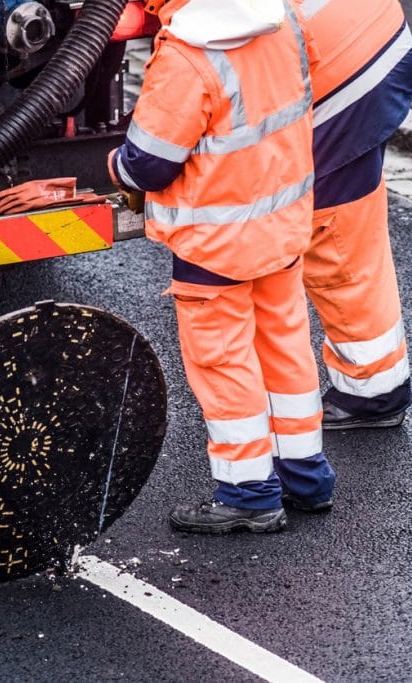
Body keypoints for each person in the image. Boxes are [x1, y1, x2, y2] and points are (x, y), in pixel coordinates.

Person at [106, 0, 335, 533]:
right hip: (281, 226)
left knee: (224, 362)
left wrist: (114, 166)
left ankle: (249, 495)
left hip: (215, 246)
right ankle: (305, 477)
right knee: (285, 347)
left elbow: (149, 164)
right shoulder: (282, 21)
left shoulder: (188, 58)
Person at [297, 0, 412, 430]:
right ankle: (375, 387)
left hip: (338, 68)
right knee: (353, 219)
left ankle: (373, 392)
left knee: (330, 230)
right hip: (372, 34)